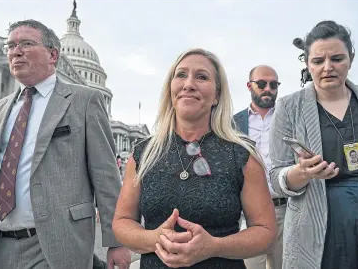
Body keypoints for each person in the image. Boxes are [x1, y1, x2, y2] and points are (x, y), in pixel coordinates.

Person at [0, 19, 131, 269]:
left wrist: (116, 241)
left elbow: (106, 176)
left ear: (53, 55)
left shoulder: (84, 100)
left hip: (54, 245)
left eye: (26, 44)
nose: (16, 51)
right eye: (11, 46)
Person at [112, 48, 276, 268]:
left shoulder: (242, 154)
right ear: (170, 88)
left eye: (201, 77)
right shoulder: (144, 152)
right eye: (181, 75)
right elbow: (122, 222)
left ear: (217, 95)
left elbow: (265, 232)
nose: (189, 84)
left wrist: (214, 246)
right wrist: (154, 239)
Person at [269, 20, 358, 269]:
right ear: (307, 63)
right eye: (318, 61)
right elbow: (277, 176)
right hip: (322, 220)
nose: (328, 67)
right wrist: (300, 173)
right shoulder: (289, 107)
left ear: (351, 58)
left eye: (337, 59)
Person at [234, 65, 285, 269]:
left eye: (273, 85)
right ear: (249, 86)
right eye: (262, 84)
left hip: (284, 209)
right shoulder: (234, 123)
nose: (268, 89)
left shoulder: (287, 117)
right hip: (249, 214)